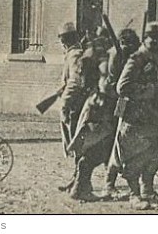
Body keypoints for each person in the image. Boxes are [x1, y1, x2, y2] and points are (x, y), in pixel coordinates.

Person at [112, 21, 158, 210]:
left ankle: (147, 189)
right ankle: (134, 194)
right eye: (152, 38)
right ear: (145, 38)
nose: (156, 41)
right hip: (137, 115)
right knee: (135, 155)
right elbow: (122, 87)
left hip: (155, 114)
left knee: (157, 152)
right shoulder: (137, 58)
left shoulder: (156, 56)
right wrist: (151, 90)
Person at [64, 31, 117, 201]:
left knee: (95, 146)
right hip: (100, 107)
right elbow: (104, 84)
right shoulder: (101, 59)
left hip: (94, 106)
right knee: (98, 148)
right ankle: (80, 187)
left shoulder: (89, 56)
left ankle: (81, 185)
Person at [97, 28, 141, 200]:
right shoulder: (115, 55)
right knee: (118, 140)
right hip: (115, 102)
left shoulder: (131, 54)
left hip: (128, 101)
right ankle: (109, 184)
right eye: (128, 45)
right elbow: (110, 84)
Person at [56, 22, 90, 194]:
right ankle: (75, 178)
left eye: (62, 39)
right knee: (76, 143)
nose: (61, 43)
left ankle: (79, 181)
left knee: (77, 143)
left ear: (66, 40)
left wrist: (64, 103)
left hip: (75, 105)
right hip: (75, 103)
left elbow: (75, 82)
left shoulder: (74, 54)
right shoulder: (72, 53)